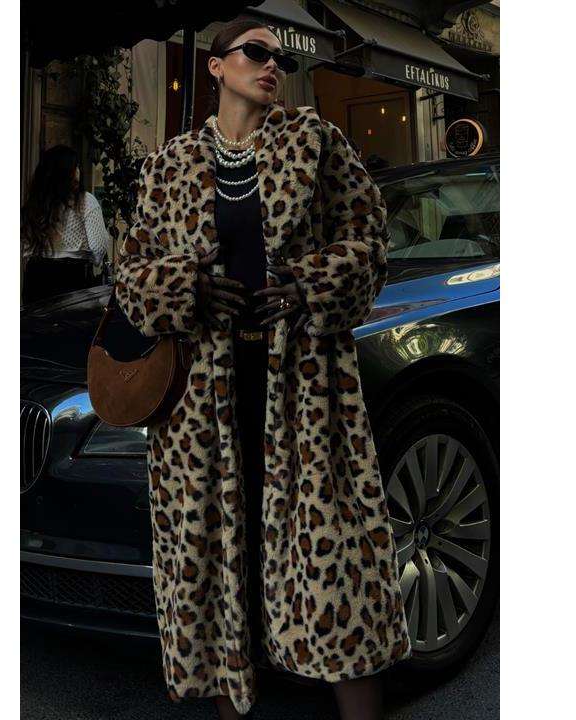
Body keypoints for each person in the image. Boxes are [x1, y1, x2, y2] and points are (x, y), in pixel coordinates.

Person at [114, 20, 412, 720]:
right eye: (257, 51)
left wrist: (310, 283)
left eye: (280, 56)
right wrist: (185, 287)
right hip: (201, 402)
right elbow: (131, 273)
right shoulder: (170, 164)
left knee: (340, 570)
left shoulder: (315, 141)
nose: (272, 64)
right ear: (217, 67)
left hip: (305, 388)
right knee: (218, 569)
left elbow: (370, 240)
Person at [20, 144, 110, 306]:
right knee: (72, 322)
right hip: (73, 277)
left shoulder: (34, 203)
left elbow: (25, 246)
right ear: (69, 172)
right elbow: (99, 247)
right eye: (76, 167)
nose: (79, 171)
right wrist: (92, 261)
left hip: (35, 277)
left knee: (36, 321)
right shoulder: (85, 201)